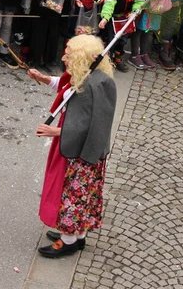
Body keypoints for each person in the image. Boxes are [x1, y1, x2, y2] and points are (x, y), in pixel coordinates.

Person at [28, 34, 117, 259]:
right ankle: (77, 236)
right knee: (77, 193)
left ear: (80, 56)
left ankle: (68, 241)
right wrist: (44, 78)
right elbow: (66, 87)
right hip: (73, 143)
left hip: (80, 151)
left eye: (68, 52)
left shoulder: (93, 86)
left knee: (73, 194)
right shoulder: (83, 76)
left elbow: (91, 128)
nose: (64, 56)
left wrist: (55, 131)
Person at [98, 0, 145, 72]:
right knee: (111, 40)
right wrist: (105, 18)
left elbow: (140, 1)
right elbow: (109, 4)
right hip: (113, 18)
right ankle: (106, 62)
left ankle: (118, 60)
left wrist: (135, 12)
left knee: (123, 40)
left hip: (127, 18)